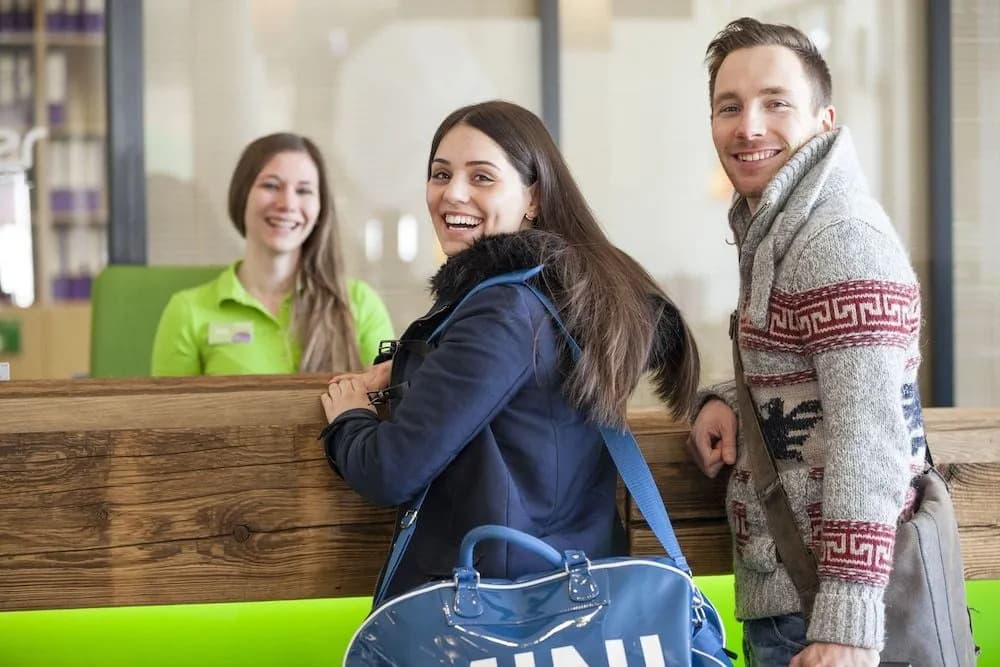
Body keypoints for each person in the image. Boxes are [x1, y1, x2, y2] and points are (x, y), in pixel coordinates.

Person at [319, 100, 700, 600]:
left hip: (494, 608)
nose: (453, 193)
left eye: (481, 177)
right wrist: (423, 368)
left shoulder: (504, 310)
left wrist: (348, 417)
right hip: (567, 595)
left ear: (533, 198)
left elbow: (389, 470)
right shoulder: (561, 297)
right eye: (441, 174)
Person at [686, 18, 926, 667]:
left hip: (825, 615)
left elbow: (870, 436)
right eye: (729, 107)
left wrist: (847, 624)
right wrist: (730, 399)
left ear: (824, 121)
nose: (749, 126)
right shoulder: (784, 228)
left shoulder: (839, 239)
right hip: (797, 602)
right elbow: (820, 376)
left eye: (775, 103)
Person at [151, 133, 393, 376]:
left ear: (320, 208)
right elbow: (171, 402)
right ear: (242, 195)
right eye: (271, 186)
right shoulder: (187, 311)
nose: (287, 203)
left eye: (304, 190)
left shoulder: (360, 303)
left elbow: (388, 396)